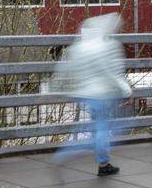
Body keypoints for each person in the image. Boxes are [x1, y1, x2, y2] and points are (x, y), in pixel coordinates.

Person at [47, 13, 132, 176]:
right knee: (107, 129)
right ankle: (70, 156)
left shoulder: (79, 47)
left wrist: (53, 88)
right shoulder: (109, 46)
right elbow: (113, 73)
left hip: (86, 95)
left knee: (99, 128)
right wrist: (126, 91)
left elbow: (65, 68)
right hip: (103, 95)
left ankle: (102, 162)